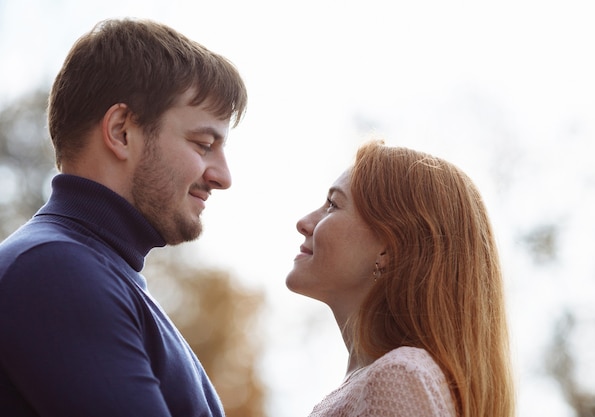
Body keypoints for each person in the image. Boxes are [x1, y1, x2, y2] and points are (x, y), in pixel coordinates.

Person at [0, 18, 247, 417]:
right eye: (203, 145)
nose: (223, 177)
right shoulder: (54, 270)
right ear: (121, 131)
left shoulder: (93, 271)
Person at [286, 140, 515, 417]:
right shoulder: (384, 379)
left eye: (333, 205)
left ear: (388, 249)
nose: (304, 222)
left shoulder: (398, 377)